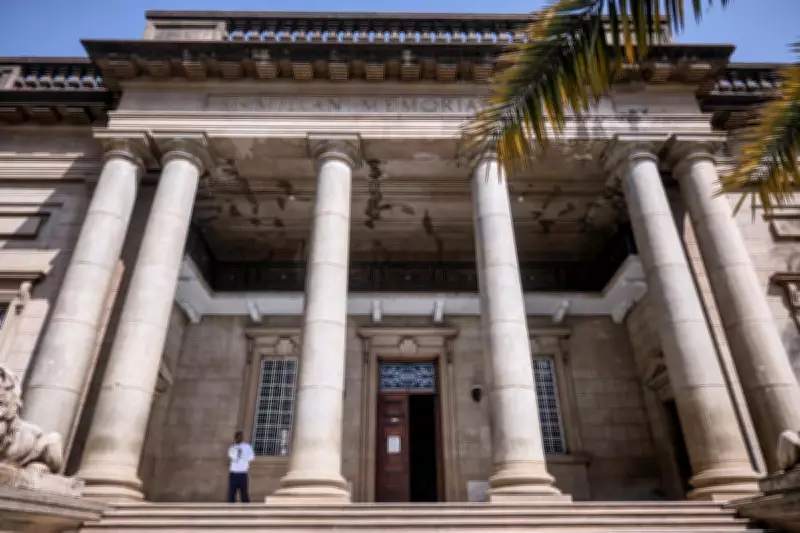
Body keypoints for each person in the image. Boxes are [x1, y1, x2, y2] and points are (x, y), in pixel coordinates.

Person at [227, 431, 254, 503]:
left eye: (239, 437)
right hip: (233, 472)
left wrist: (243, 455)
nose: (238, 438)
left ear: (242, 437)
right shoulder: (232, 448)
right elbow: (232, 456)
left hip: (243, 472)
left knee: (244, 493)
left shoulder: (247, 447)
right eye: (236, 437)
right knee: (231, 493)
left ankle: (246, 509)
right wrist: (238, 453)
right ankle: (230, 509)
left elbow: (251, 457)